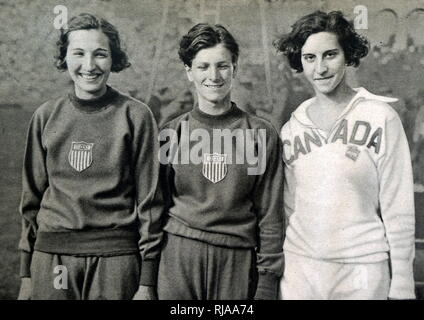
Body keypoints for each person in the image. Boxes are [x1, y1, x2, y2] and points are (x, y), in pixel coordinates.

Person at [17, 13, 163, 300]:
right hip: (53, 256)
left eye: (100, 54)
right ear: (65, 58)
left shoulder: (135, 115)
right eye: (78, 53)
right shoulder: (46, 116)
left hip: (116, 257)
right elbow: (30, 200)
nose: (89, 65)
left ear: (113, 58)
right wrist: (26, 274)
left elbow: (150, 203)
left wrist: (146, 281)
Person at [274, 11, 415, 300]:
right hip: (300, 268)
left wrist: (402, 282)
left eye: (330, 55)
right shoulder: (291, 128)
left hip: (362, 269)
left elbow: (398, 206)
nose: (320, 68)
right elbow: (289, 208)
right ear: (299, 62)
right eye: (310, 58)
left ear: (347, 55)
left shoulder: (381, 117)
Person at [156, 23, 285, 300]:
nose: (213, 76)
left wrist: (267, 279)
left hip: (236, 258)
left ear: (235, 68)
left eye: (222, 66)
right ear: (189, 72)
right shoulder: (171, 132)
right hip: (178, 256)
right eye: (203, 67)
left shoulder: (260, 133)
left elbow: (271, 213)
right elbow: (156, 208)